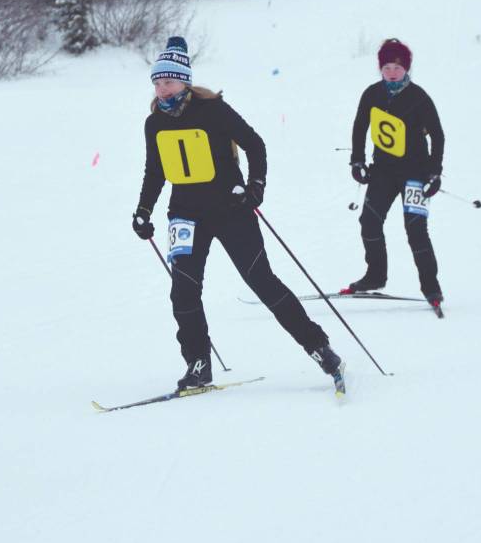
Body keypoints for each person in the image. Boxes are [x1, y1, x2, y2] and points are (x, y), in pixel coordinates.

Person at [132, 37, 343, 390]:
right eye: (156, 83)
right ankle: (198, 363)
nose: (161, 89)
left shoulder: (213, 109)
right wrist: (143, 210)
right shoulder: (154, 123)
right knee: (183, 291)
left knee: (262, 281)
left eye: (167, 82)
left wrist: (254, 187)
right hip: (184, 214)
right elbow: (156, 170)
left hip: (230, 209)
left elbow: (255, 144)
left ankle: (319, 347)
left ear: (184, 80)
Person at [347, 38, 444, 308]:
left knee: (416, 230)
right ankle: (376, 275)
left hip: (416, 173)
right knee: (369, 221)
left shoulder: (420, 98)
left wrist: (434, 173)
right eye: (387, 66)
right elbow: (359, 127)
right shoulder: (372, 94)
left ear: (407, 69)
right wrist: (357, 161)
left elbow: (437, 136)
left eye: (397, 68)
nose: (391, 72)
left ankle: (430, 285)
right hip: (383, 172)